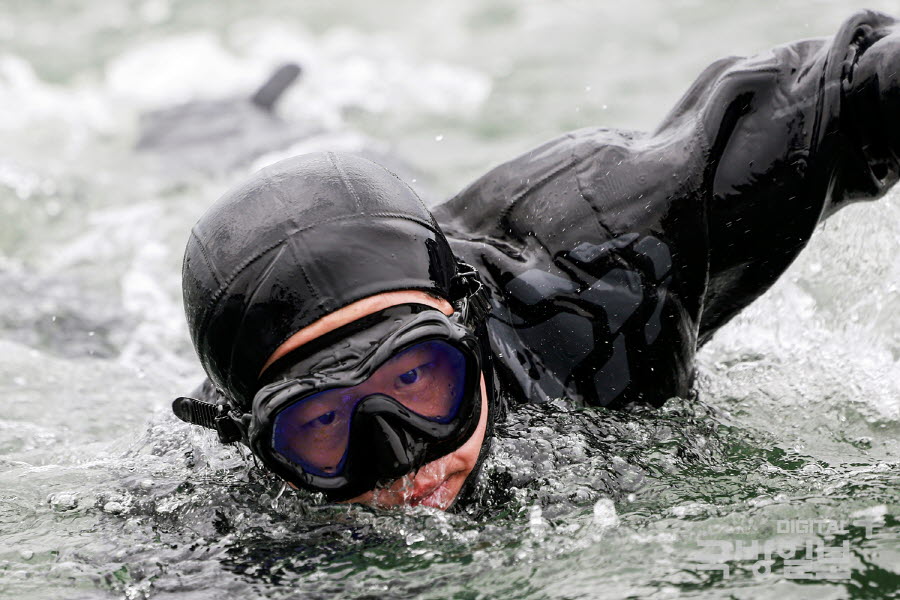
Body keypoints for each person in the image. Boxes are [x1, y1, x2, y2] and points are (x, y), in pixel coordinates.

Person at [173, 10, 900, 511]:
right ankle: (227, 121)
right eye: (324, 426)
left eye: (419, 377)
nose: (402, 461)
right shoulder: (221, 498)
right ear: (256, 443)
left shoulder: (607, 268)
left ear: (467, 316)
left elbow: (842, 96)